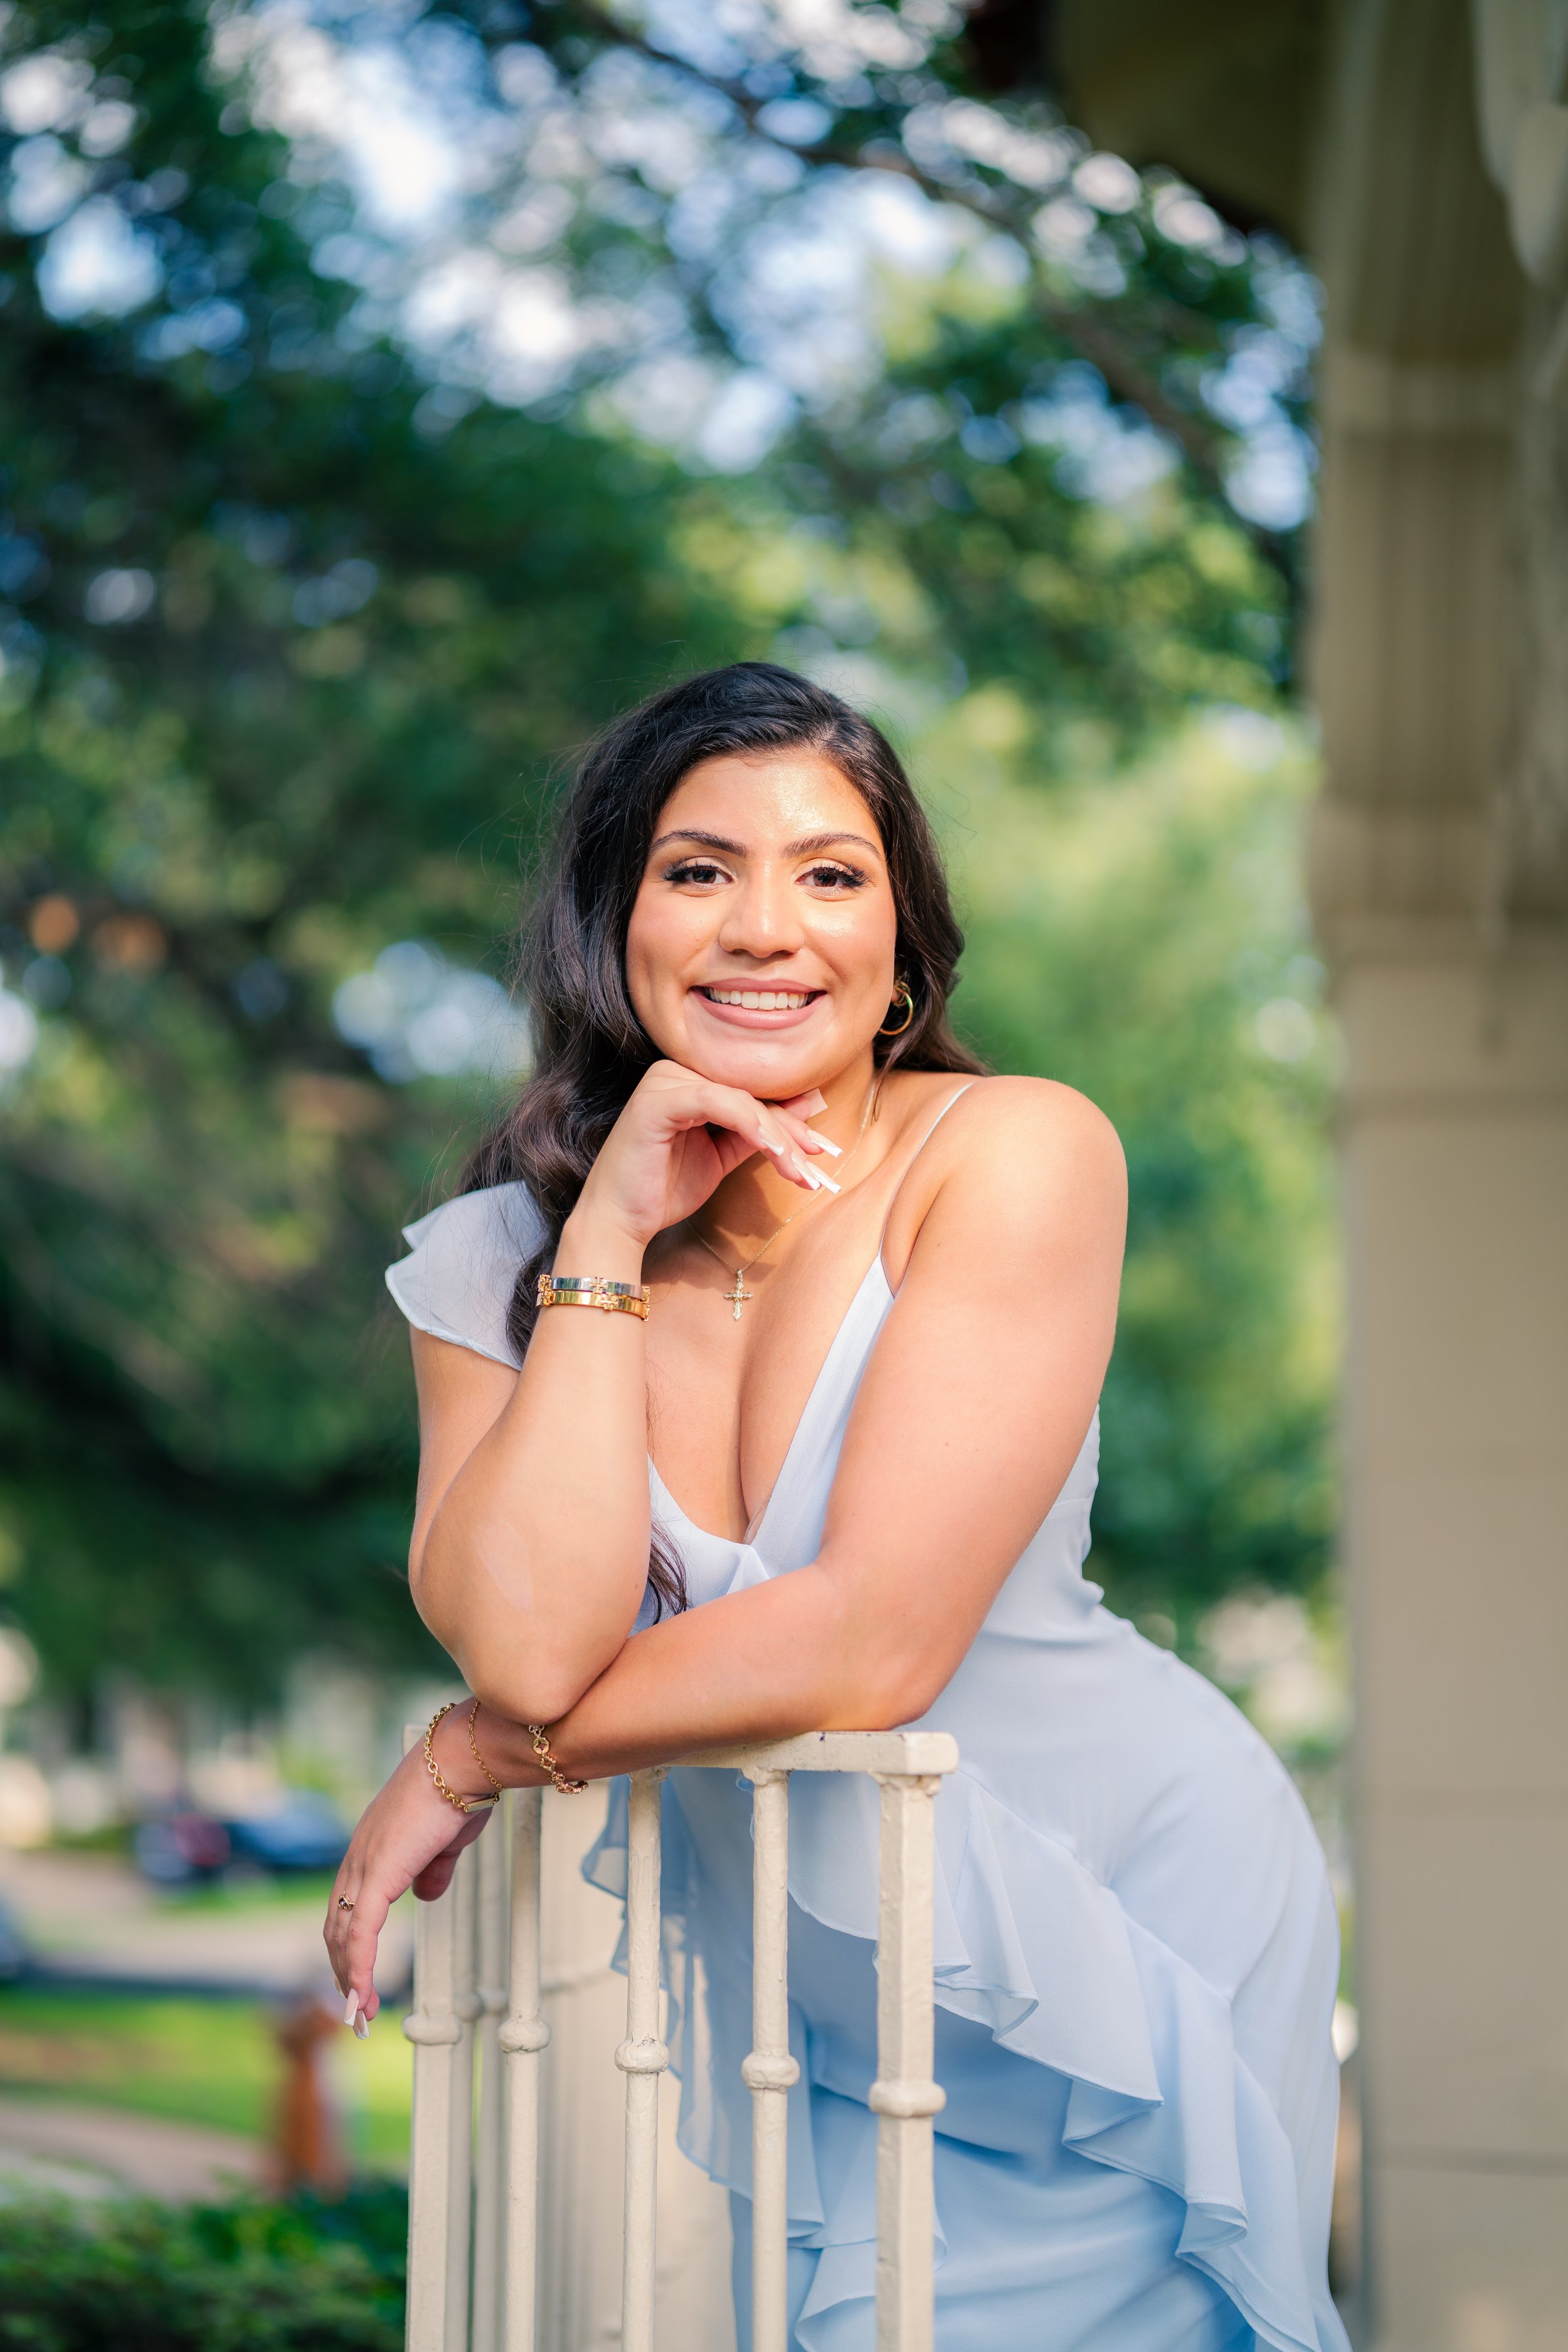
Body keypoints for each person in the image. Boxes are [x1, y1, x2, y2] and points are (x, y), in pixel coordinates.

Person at [326, 662, 1348, 2352]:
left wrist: (471, 1757)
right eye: (698, 869)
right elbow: (527, 1643)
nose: (762, 928)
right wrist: (600, 1245)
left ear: (898, 947)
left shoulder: (1013, 1151)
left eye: (829, 874)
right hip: (812, 1994)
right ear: (616, 921)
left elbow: (866, 1641)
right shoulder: (496, 1261)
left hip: (1110, 1912)